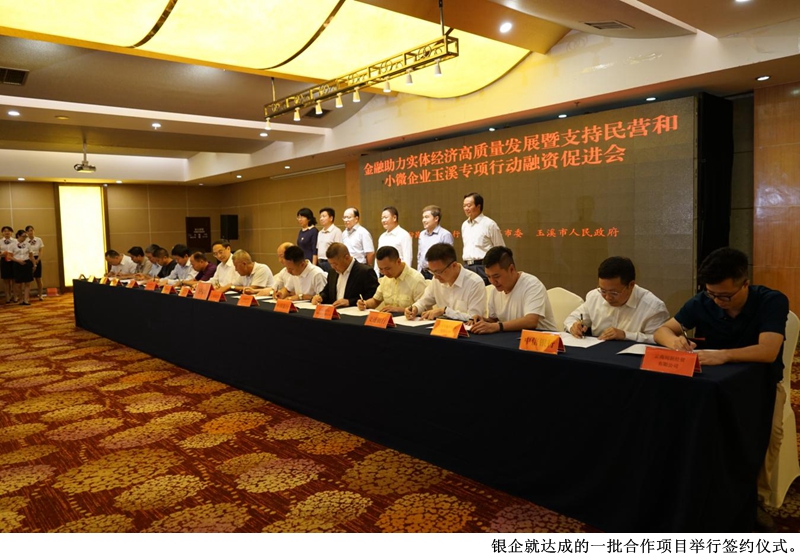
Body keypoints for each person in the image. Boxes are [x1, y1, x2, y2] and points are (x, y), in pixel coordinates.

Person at [654, 247, 789, 531]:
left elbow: (768, 350)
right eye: (712, 294)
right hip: (711, 387)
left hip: (759, 386)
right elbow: (662, 330)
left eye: (725, 296)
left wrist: (723, 355)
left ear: (745, 284)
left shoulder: (771, 301)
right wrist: (675, 342)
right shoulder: (704, 301)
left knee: (768, 436)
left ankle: (754, 500)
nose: (717, 301)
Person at [566, 256, 669, 343]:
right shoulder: (594, 296)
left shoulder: (653, 307)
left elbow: (659, 339)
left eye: (614, 293)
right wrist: (574, 327)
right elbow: (571, 319)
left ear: (631, 285)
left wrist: (626, 335)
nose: (607, 297)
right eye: (603, 290)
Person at [470, 246, 557, 334]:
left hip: (544, 339)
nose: (492, 281)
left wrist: (497, 326)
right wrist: (482, 321)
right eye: (488, 277)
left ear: (511, 269)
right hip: (513, 338)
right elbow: (494, 321)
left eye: (496, 276)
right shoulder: (495, 290)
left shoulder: (532, 285)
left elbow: (531, 321)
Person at [405, 243, 486, 322]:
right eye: (432, 271)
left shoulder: (475, 283)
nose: (435, 276)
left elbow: (474, 318)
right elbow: (423, 302)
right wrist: (414, 308)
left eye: (438, 272)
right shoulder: (436, 280)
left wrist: (444, 311)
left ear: (454, 265)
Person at [358, 246, 427, 313]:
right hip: (388, 319)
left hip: (409, 320)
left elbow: (424, 309)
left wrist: (399, 310)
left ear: (398, 261)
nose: (384, 273)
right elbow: (375, 301)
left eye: (387, 268)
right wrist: (365, 304)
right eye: (381, 269)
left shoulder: (416, 279)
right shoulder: (385, 279)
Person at [311, 243, 378, 308]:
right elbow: (327, 291)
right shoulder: (332, 272)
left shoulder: (365, 272)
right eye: (331, 264)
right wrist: (320, 297)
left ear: (346, 258)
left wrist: (349, 302)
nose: (333, 267)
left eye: (335, 264)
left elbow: (373, 297)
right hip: (334, 312)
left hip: (354, 312)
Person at [461, 192, 505, 284]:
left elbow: (500, 249)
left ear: (478, 206)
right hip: (466, 267)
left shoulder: (489, 224)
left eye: (469, 205)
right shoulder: (464, 225)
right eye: (464, 206)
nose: (466, 208)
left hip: (483, 267)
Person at [417, 205, 455, 280]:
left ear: (436, 218)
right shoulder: (422, 234)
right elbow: (419, 255)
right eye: (423, 217)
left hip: (437, 274)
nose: (423, 220)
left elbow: (448, 258)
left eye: (427, 217)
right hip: (423, 272)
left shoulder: (445, 234)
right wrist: (419, 273)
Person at [376, 206, 413, 274]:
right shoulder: (382, 236)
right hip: (383, 274)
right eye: (382, 218)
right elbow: (378, 257)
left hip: (398, 273)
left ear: (394, 218)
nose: (383, 220)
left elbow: (407, 258)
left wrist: (405, 275)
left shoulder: (404, 235)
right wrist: (376, 273)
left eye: (385, 217)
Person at [316, 207, 342, 273]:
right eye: (320, 217)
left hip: (330, 263)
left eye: (324, 216)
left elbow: (338, 250)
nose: (321, 219)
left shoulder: (336, 231)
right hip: (320, 262)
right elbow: (318, 248)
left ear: (331, 218)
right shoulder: (320, 232)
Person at [11, 229, 33, 306]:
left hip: (27, 263)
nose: (24, 238)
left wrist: (34, 264)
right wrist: (18, 261)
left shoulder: (28, 244)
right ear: (18, 236)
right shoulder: (13, 244)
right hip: (17, 264)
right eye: (23, 236)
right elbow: (9, 256)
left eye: (25, 236)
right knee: (18, 284)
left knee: (28, 282)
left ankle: (26, 300)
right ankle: (20, 299)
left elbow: (31, 255)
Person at [25, 226, 45, 300]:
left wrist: (38, 259)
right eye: (28, 231)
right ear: (26, 232)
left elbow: (41, 251)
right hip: (28, 259)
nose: (30, 232)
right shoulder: (25, 240)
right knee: (28, 279)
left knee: (38, 278)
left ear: (34, 231)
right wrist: (32, 260)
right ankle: (27, 296)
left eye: (32, 230)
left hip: (37, 258)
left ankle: (40, 295)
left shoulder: (39, 239)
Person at [1, 226, 16, 303]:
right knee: (6, 280)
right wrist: (2, 254)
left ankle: (15, 296)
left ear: (11, 232)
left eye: (9, 231)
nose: (7, 232)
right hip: (4, 261)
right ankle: (8, 297)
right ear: (2, 233)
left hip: (13, 260)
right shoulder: (0, 241)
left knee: (14, 280)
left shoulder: (15, 241)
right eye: (5, 231)